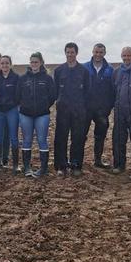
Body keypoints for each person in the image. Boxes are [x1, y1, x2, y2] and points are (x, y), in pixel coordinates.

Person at [53, 42, 90, 177]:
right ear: (65, 53)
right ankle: (61, 166)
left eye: (72, 52)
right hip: (63, 110)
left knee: (78, 138)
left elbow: (87, 90)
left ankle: (76, 165)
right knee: (60, 138)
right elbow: (56, 90)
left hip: (79, 110)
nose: (70, 55)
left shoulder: (84, 71)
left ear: (76, 53)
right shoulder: (59, 71)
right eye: (68, 52)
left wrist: (82, 106)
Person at [17, 52, 56, 177]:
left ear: (41, 63)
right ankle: (27, 167)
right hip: (25, 114)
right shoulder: (23, 78)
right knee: (27, 140)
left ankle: (43, 168)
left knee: (41, 140)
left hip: (42, 114)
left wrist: (44, 106)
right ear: (30, 63)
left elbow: (52, 96)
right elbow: (18, 95)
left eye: (36, 62)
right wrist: (25, 105)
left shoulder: (47, 78)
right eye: (32, 62)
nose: (34, 64)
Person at [111, 47, 131, 175]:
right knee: (118, 139)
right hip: (119, 111)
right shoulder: (117, 72)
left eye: (128, 55)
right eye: (124, 56)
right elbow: (113, 89)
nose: (126, 58)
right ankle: (119, 165)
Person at [84, 43, 115, 168]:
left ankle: (97, 160)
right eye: (96, 52)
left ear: (104, 53)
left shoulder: (110, 70)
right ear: (92, 52)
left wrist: (108, 106)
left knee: (100, 135)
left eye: (101, 52)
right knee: (81, 134)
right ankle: (77, 160)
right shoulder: (84, 67)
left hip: (102, 110)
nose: (98, 54)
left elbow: (112, 90)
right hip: (86, 108)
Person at [0, 55, 20, 172]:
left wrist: (14, 105)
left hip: (11, 110)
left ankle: (15, 164)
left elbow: (18, 94)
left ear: (10, 64)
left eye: (7, 63)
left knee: (13, 137)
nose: (4, 65)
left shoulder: (16, 77)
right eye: (2, 63)